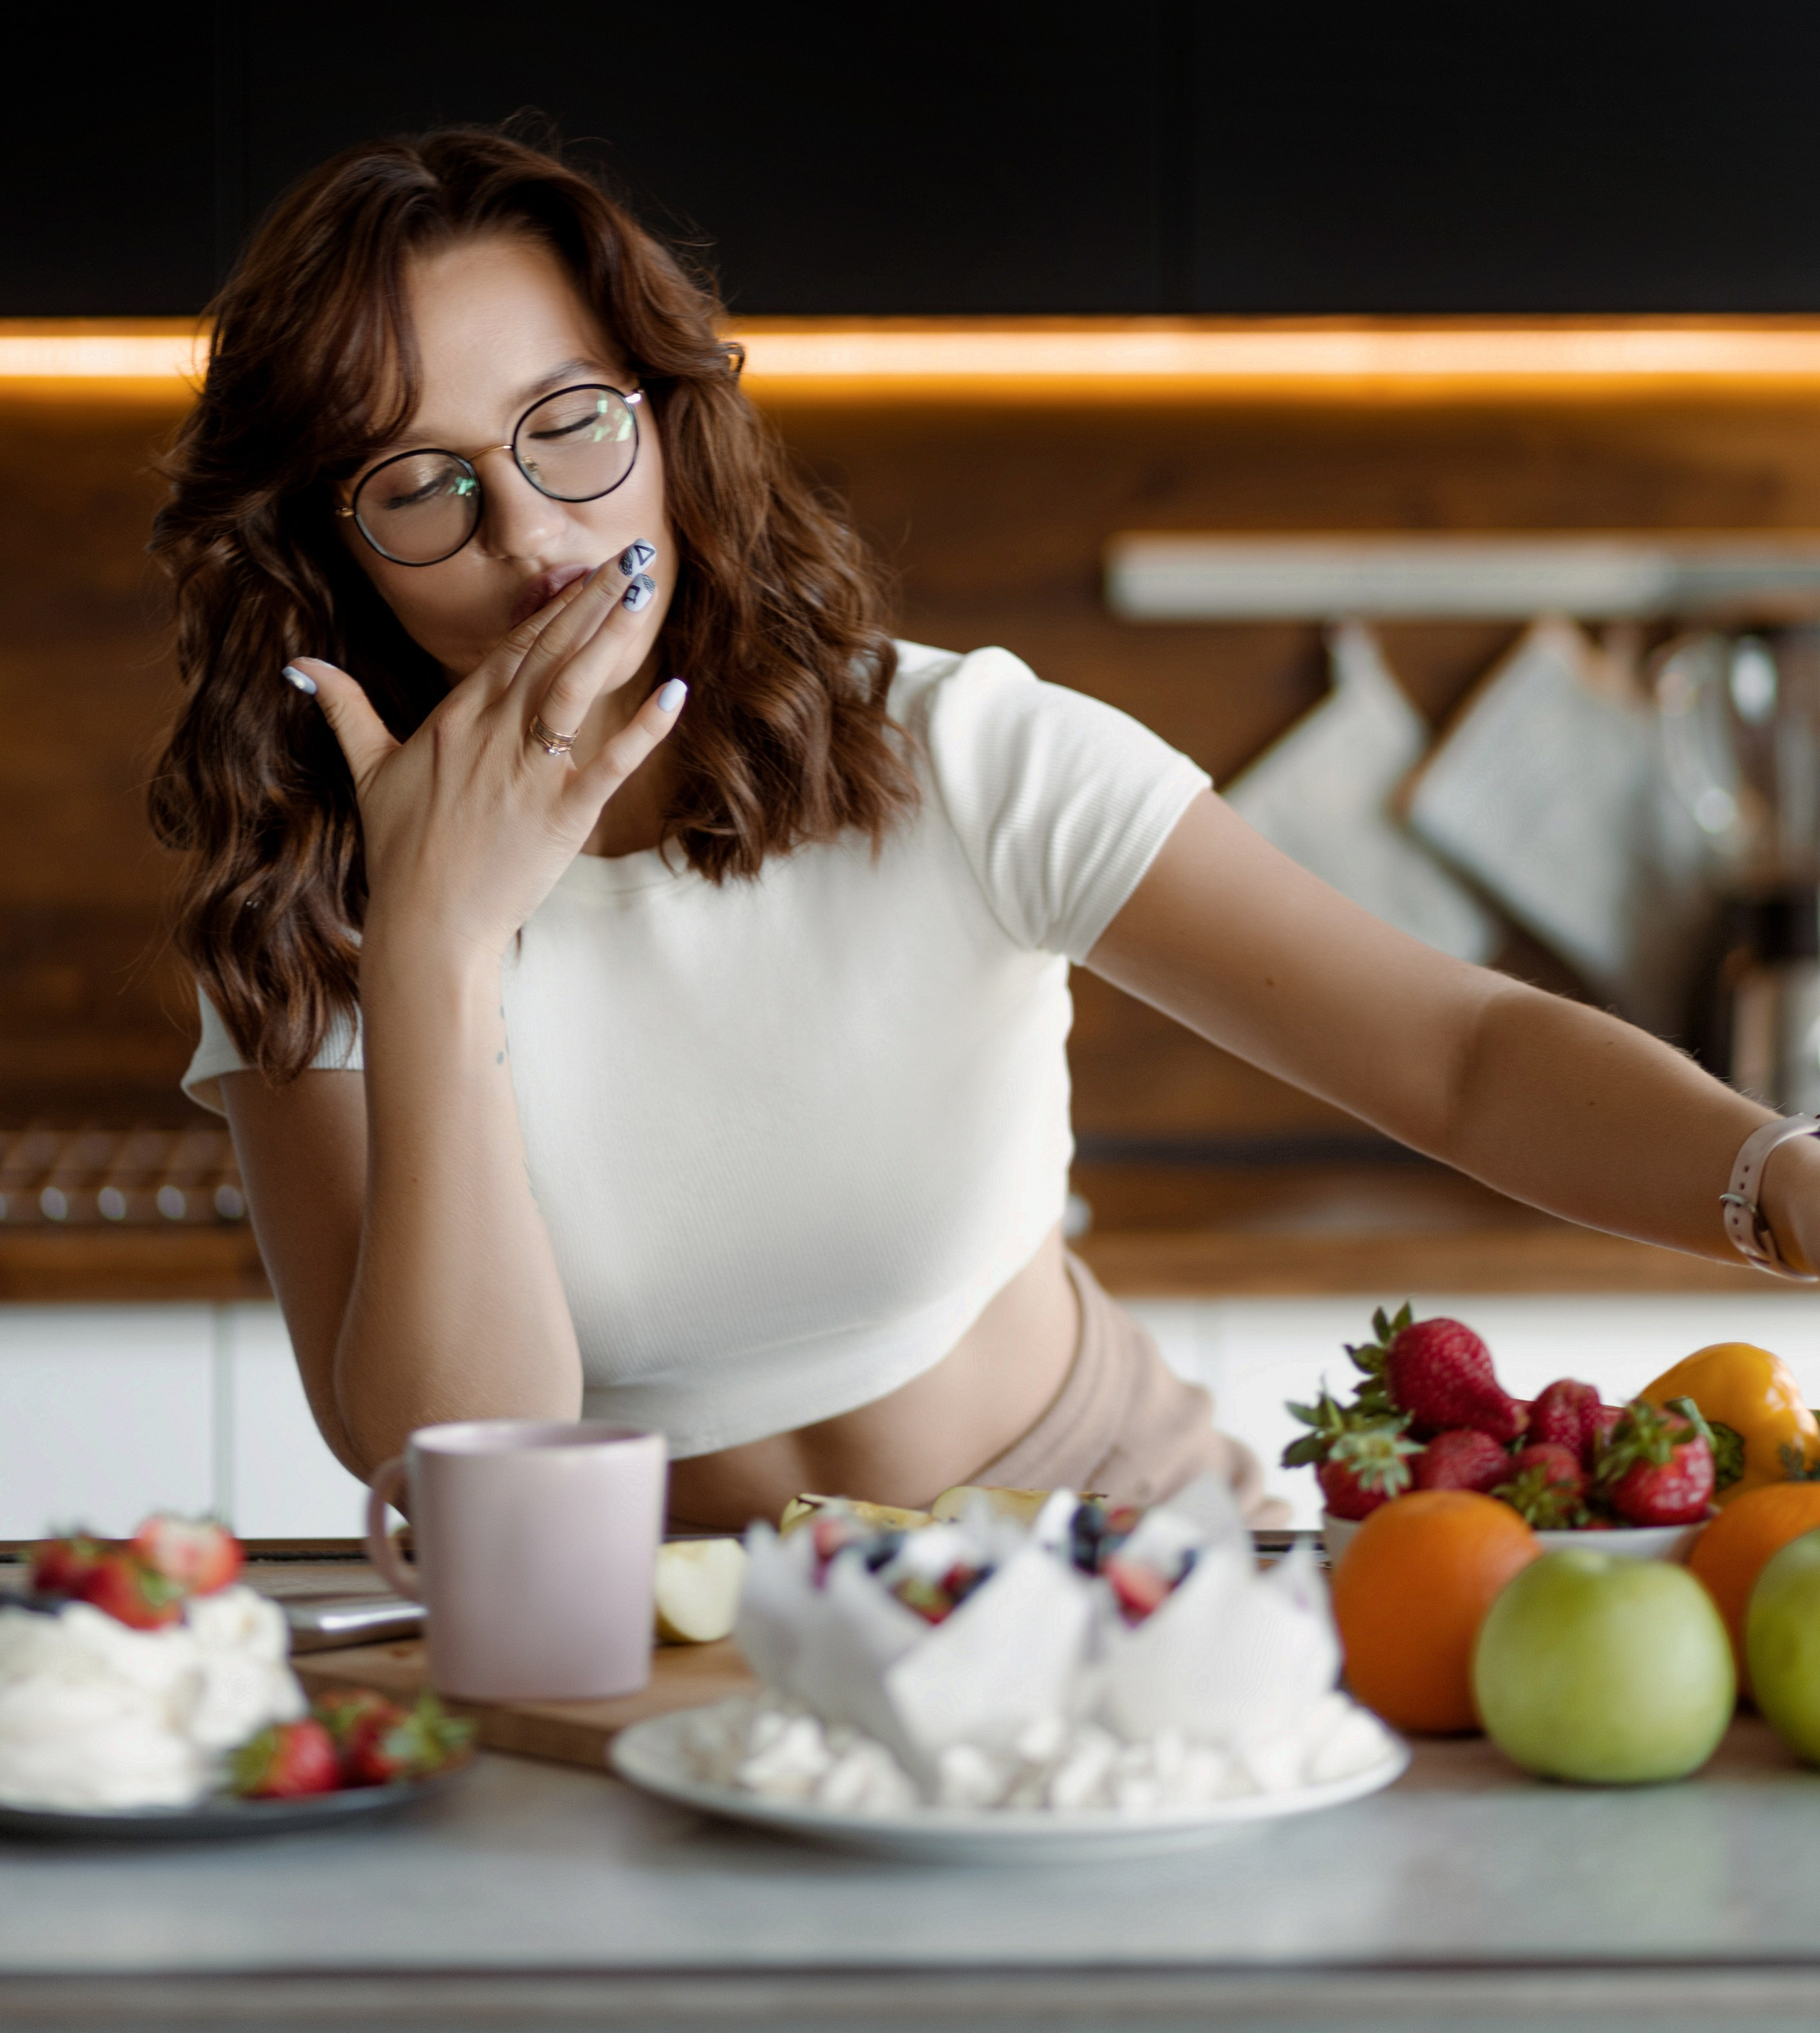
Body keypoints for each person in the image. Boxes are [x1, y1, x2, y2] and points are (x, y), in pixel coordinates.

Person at [152, 127, 1820, 1533]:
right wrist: (437, 945)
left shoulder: (950, 749)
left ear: (662, 417)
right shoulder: (315, 899)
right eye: (417, 484)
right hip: (650, 1641)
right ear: (335, 550)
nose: (527, 528)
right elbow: (459, 1472)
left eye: (569, 421)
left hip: (1113, 1540)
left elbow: (1450, 1056)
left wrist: (1774, 1179)